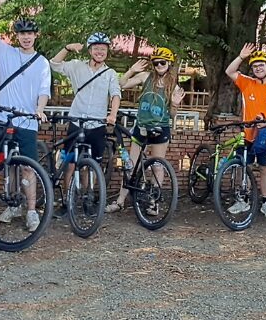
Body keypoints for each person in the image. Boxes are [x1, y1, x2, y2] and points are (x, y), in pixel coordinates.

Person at [0, 0, 52, 233]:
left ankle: (31, 210)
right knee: (5, 165)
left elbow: (44, 90)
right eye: (22, 34)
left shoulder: (42, 62)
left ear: (36, 36)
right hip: (3, 118)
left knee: (28, 166)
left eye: (30, 33)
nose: (26, 37)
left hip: (27, 120)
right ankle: (12, 204)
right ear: (16, 36)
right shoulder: (5, 52)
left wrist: (39, 109)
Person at [51, 33, 121, 211]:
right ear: (90, 50)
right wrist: (67, 48)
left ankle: (88, 198)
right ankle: (67, 201)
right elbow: (54, 64)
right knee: (70, 163)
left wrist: (112, 115)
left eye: (103, 49)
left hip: (97, 123)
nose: (99, 52)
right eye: (96, 48)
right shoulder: (76, 66)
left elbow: (115, 95)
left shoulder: (110, 73)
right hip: (77, 120)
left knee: (93, 165)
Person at [112, 47, 186, 213]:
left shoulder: (174, 86)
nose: (159, 65)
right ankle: (120, 201)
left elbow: (173, 115)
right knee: (131, 166)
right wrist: (131, 70)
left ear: (169, 64)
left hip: (161, 129)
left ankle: (153, 203)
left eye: (162, 62)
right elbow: (121, 84)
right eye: (156, 62)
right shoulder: (146, 77)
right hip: (142, 127)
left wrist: (174, 104)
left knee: (158, 166)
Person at [225, 43, 266, 218]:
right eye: (255, 66)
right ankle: (242, 200)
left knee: (265, 169)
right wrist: (241, 57)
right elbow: (229, 72)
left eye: (261, 65)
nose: (258, 68)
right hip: (247, 135)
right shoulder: (247, 83)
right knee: (242, 167)